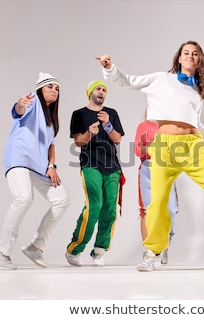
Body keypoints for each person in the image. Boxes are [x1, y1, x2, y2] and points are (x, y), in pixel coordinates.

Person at [96, 40, 204, 271]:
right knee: (158, 201)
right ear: (179, 58)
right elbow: (125, 81)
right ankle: (153, 254)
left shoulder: (200, 92)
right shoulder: (160, 79)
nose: (190, 56)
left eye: (194, 53)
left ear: (199, 60)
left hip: (194, 146)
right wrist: (109, 67)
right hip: (164, 145)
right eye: (186, 52)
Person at [0, 72, 70, 270]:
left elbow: (51, 145)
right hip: (19, 159)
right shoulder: (32, 102)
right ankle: (2, 250)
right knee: (24, 198)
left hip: (39, 166)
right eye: (50, 86)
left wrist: (51, 166)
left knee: (62, 199)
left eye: (57, 88)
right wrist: (21, 103)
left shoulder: (52, 119)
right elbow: (18, 110)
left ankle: (36, 247)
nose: (54, 90)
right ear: (40, 89)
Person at [65, 80, 125, 267]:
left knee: (110, 209)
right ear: (90, 92)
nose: (102, 92)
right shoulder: (78, 114)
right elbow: (78, 143)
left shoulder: (111, 113)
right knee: (94, 206)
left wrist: (108, 125)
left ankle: (99, 251)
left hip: (112, 167)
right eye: (98, 89)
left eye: (104, 90)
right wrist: (90, 133)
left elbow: (117, 140)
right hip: (90, 165)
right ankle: (74, 249)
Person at [134, 117, 179, 264]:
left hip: (166, 168)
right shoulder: (144, 126)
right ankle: (149, 250)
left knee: (171, 209)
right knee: (147, 210)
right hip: (148, 168)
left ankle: (164, 244)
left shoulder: (172, 126)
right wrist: (156, 147)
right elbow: (138, 150)